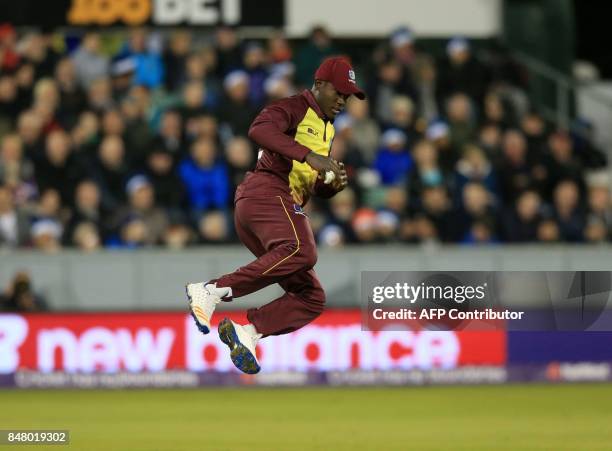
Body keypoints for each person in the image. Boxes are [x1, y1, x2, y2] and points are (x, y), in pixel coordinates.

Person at [185, 56, 365, 374]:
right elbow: (259, 129)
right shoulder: (295, 106)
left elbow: (310, 179)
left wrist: (329, 186)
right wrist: (311, 156)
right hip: (267, 193)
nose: (342, 100)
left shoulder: (327, 130)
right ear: (319, 85)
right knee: (303, 249)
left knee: (311, 296)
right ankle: (211, 290)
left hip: (271, 207)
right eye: (338, 92)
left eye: (347, 96)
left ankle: (248, 333)